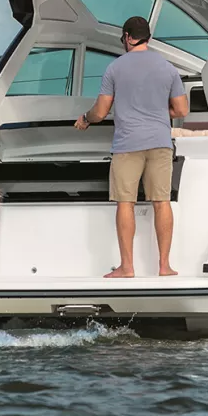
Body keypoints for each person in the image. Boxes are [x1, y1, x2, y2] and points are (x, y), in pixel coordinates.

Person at [74, 16, 190, 279]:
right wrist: (159, 112)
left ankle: (127, 267)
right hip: (160, 143)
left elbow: (101, 112)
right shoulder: (167, 68)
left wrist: (84, 119)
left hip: (128, 144)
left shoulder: (115, 68)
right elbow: (182, 109)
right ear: (147, 37)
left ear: (127, 37)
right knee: (162, 202)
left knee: (125, 203)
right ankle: (164, 266)